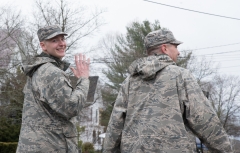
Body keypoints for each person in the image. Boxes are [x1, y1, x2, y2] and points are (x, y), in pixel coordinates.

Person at [103, 29, 233, 153]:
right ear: (164, 48)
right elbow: (204, 120)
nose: (178, 52)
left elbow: (115, 126)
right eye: (175, 47)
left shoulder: (129, 82)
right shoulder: (180, 76)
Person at [16, 25, 90, 153]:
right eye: (54, 40)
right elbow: (70, 108)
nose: (61, 44)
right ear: (43, 46)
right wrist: (84, 80)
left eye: (62, 39)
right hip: (51, 147)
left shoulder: (39, 70)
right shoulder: (50, 72)